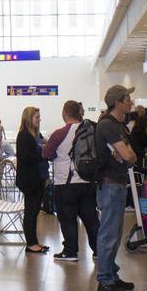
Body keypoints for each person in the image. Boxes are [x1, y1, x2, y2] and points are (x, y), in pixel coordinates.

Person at [43, 100, 99, 262]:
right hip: (88, 181)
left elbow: (46, 153)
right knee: (90, 217)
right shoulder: (90, 130)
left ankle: (71, 251)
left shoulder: (60, 133)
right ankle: (98, 249)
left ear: (65, 113)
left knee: (67, 218)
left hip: (65, 183)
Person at [95, 85, 138, 291]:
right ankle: (105, 280)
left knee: (115, 233)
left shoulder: (118, 125)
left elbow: (131, 157)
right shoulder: (108, 126)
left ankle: (111, 274)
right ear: (118, 102)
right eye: (127, 98)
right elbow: (129, 156)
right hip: (110, 185)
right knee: (109, 234)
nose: (131, 102)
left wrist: (126, 156)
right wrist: (126, 155)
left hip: (117, 184)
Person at [15, 106, 50, 254]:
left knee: (34, 211)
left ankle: (34, 241)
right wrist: (43, 153)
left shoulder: (35, 135)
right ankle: (31, 243)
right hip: (30, 180)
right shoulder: (24, 136)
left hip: (37, 178)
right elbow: (25, 158)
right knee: (30, 211)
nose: (39, 119)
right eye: (37, 117)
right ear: (29, 119)